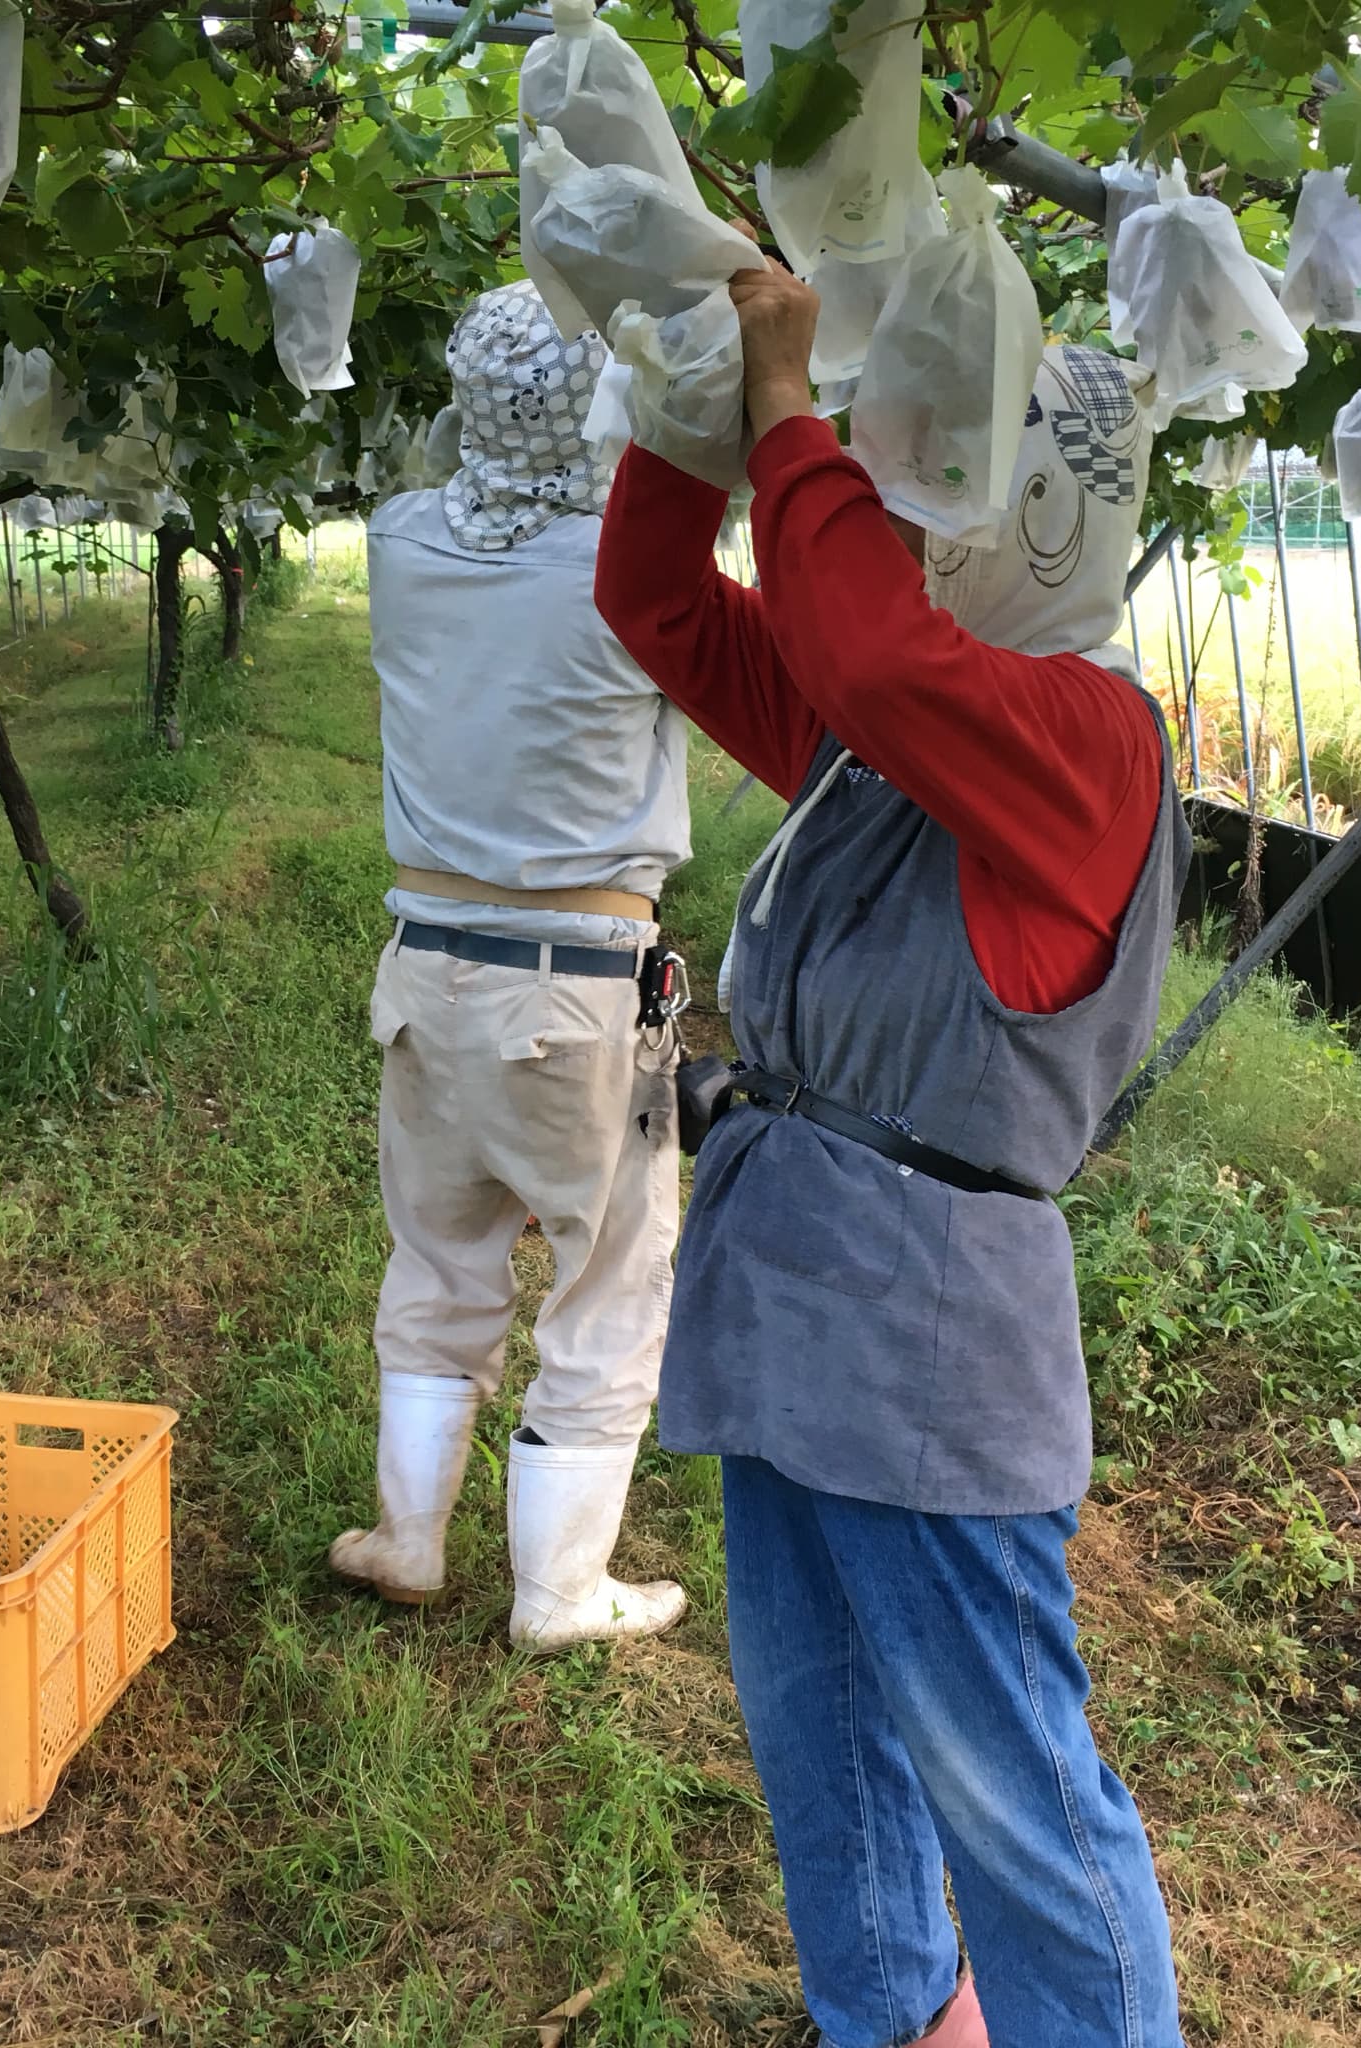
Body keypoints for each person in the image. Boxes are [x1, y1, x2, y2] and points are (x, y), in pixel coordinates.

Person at [593, 259, 1191, 2046]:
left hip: (926, 1340)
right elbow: (657, 603)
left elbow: (858, 641)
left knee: (1010, 1782)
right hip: (794, 1303)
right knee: (824, 1731)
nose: (912, 518)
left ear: (1042, 519)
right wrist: (698, 418)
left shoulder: (1089, 742)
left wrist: (788, 406)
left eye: (943, 484)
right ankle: (899, 2021)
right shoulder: (894, 749)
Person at [329, 279, 693, 1651]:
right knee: (606, 1272)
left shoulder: (400, 541)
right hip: (585, 976)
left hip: (427, 971)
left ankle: (408, 1537)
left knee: (439, 1250)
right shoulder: (633, 571)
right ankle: (557, 1591)